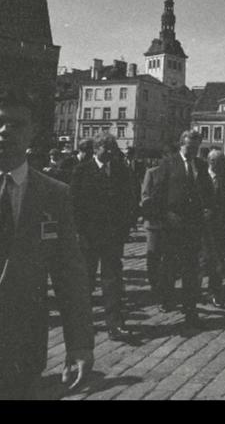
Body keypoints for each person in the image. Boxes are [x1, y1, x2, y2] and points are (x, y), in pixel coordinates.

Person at [0, 85, 93, 399]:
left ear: (33, 131)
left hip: (21, 356)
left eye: (17, 124)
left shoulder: (54, 194)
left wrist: (79, 343)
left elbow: (70, 276)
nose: (5, 131)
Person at [70, 133, 136, 341]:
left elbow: (129, 200)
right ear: (96, 149)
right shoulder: (82, 171)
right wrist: (79, 232)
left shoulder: (121, 171)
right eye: (105, 149)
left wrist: (125, 227)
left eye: (112, 149)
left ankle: (115, 324)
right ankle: (82, 322)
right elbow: (74, 204)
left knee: (112, 281)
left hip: (112, 237)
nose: (109, 153)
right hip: (88, 237)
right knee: (86, 281)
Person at [154, 130, 212, 327]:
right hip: (172, 222)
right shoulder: (169, 163)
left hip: (193, 224)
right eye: (189, 148)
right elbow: (158, 193)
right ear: (181, 145)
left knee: (191, 267)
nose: (192, 152)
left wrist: (208, 209)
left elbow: (208, 191)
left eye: (196, 148)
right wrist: (164, 217)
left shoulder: (201, 165)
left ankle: (190, 308)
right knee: (169, 265)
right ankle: (166, 298)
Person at [200, 149, 225, 308]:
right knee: (202, 261)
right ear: (211, 162)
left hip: (220, 226)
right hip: (203, 227)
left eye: (223, 162)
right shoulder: (200, 177)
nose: (222, 166)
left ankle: (215, 292)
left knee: (219, 262)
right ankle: (197, 291)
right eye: (219, 162)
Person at [140, 164, 164, 294]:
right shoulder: (152, 172)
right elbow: (145, 195)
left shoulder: (177, 171)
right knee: (153, 253)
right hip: (154, 221)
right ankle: (154, 283)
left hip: (170, 222)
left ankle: (165, 284)